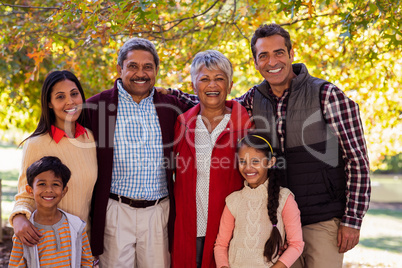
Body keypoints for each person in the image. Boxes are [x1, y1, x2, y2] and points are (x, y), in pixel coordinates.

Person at [165, 23, 371, 268]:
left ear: (291, 54)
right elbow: (216, 101)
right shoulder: (255, 98)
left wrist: (352, 220)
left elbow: (357, 159)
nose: (272, 61)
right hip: (275, 220)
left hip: (322, 219)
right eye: (264, 55)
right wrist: (168, 94)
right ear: (256, 62)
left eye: (278, 53)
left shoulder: (326, 95)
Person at [85, 37, 191, 268]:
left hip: (158, 213)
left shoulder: (172, 107)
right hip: (115, 210)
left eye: (147, 67)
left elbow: (209, 104)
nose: (140, 73)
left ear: (156, 71)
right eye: (132, 66)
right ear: (120, 68)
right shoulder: (96, 107)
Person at [172, 50, 252, 268]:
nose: (212, 85)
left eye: (219, 79)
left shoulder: (245, 125)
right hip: (189, 229)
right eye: (205, 79)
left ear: (230, 84)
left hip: (230, 230)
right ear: (193, 86)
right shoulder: (182, 124)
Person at [9, 71, 97, 250]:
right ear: (49, 103)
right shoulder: (36, 144)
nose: (70, 101)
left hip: (83, 243)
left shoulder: (90, 139)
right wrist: (18, 218)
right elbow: (26, 193)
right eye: (60, 96)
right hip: (48, 243)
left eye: (74, 94)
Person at [214, 133, 304, 268]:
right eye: (243, 161)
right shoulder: (233, 201)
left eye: (255, 161)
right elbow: (221, 244)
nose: (248, 167)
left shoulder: (285, 199)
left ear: (271, 162)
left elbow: (296, 244)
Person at [9, 156, 93, 267]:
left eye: (55, 184)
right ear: (30, 190)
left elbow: (87, 262)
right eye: (42, 184)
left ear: (64, 191)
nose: (49, 189)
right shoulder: (24, 232)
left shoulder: (76, 226)